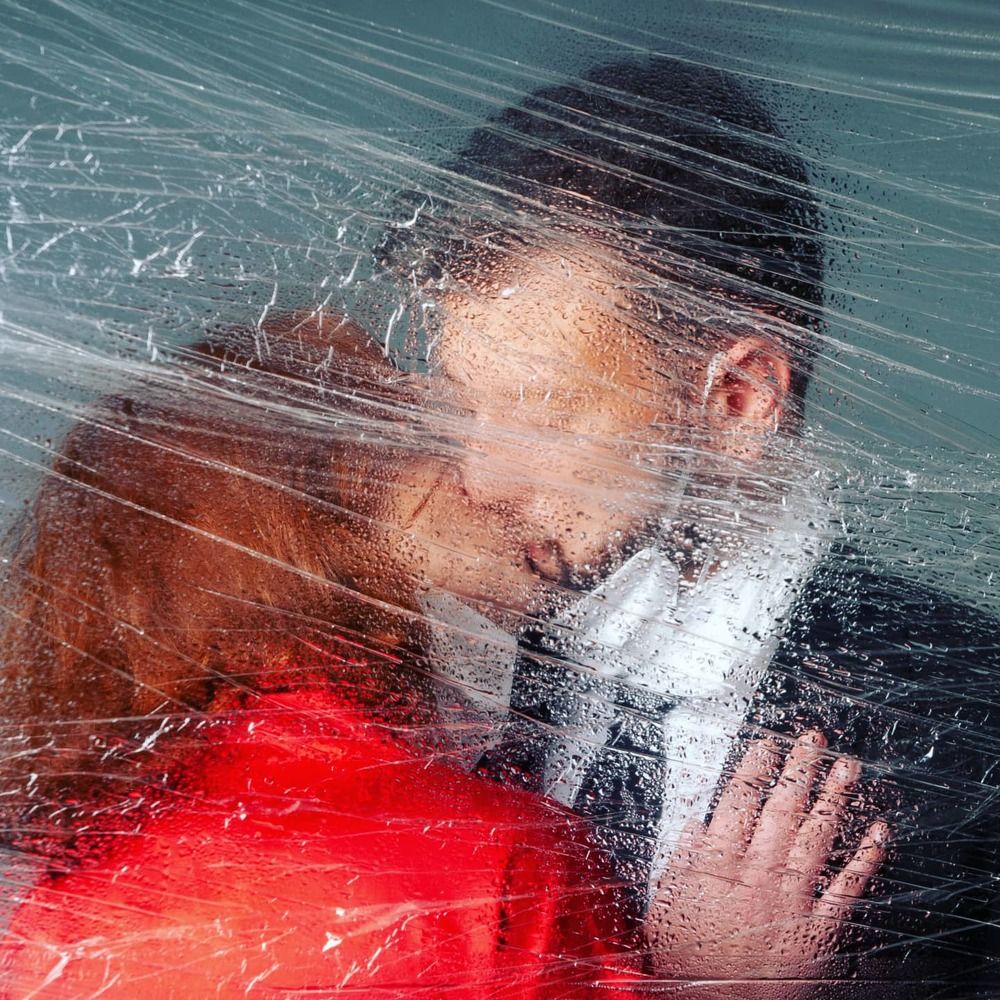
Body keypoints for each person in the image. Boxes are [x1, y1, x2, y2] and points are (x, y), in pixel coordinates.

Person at [0, 55, 988, 994]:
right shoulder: (493, 654)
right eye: (465, 404)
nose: (479, 475)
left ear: (738, 400)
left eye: (540, 410)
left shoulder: (958, 719)